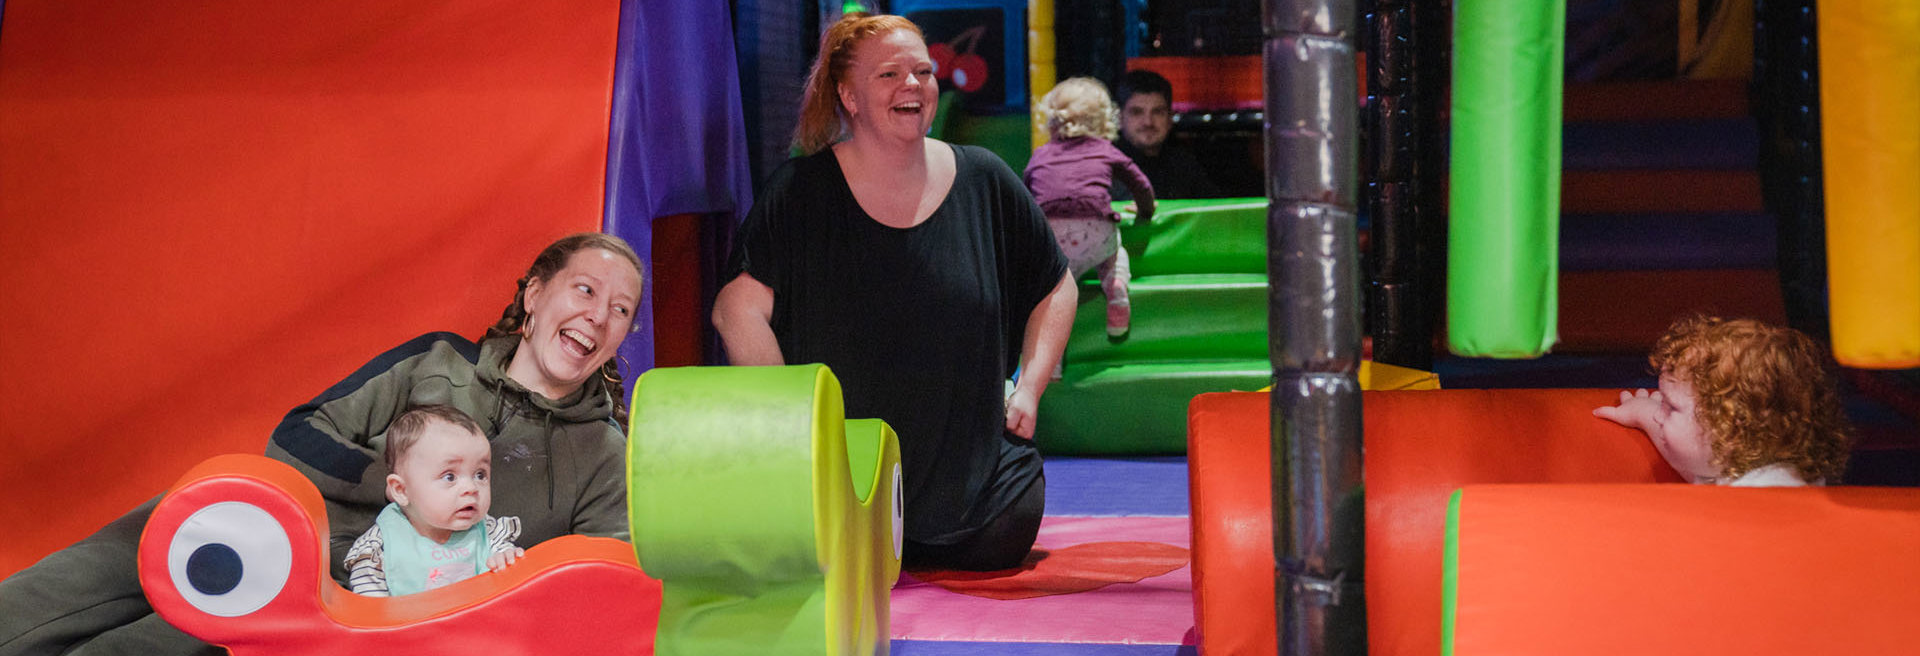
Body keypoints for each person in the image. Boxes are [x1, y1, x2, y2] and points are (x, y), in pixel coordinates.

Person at [0, 233, 643, 654]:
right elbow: (298, 436)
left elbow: (597, 588)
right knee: (65, 586)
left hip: (345, 605)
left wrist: (464, 560)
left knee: (144, 645)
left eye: (620, 310)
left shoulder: (602, 452)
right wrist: (400, 492)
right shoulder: (436, 359)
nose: (598, 314)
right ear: (535, 295)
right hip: (272, 525)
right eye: (586, 289)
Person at [711, 12, 1077, 572]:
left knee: (998, 539)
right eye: (889, 75)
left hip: (984, 510)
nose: (913, 85)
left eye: (923, 72)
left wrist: (1029, 386)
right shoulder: (801, 193)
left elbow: (1057, 285)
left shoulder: (985, 178)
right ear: (849, 97)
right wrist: (791, 423)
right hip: (845, 500)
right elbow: (735, 311)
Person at [1594, 316, 1852, 486]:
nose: (1659, 416)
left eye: (1671, 407)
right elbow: (1694, 465)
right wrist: (1643, 413)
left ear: (1729, 429)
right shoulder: (1736, 461)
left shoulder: (1771, 492)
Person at [344, 405, 526, 597]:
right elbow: (370, 612)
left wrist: (506, 560)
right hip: (412, 625)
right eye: (449, 477)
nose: (471, 488)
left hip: (480, 624)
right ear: (401, 490)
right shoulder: (379, 548)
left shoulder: (489, 533)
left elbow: (509, 572)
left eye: (480, 474)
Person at [1026, 76, 1154, 339]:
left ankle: (1052, 366)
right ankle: (1115, 286)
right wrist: (1145, 211)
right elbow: (1140, 184)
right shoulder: (1106, 150)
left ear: (1051, 120)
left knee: (1051, 297)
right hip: (1096, 231)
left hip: (1054, 239)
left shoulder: (1040, 155)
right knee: (1114, 255)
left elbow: (1024, 197)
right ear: (1105, 121)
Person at [1111, 69, 1223, 201]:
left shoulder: (1184, 165)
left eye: (1157, 112)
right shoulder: (1105, 168)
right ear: (1119, 119)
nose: (1148, 122)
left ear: (1170, 118)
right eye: (1137, 112)